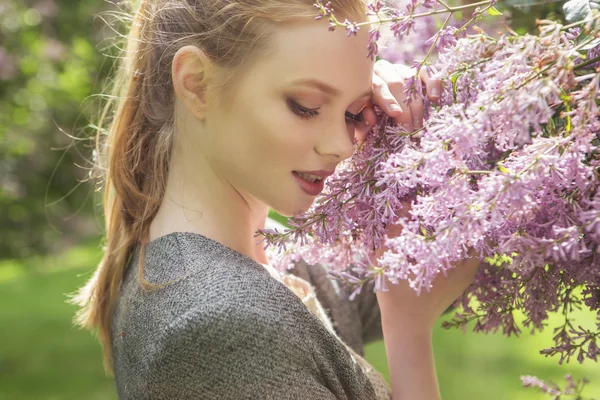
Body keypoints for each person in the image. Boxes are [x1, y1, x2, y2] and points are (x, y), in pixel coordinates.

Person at [69, 0, 481, 399]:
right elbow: (406, 301)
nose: (341, 145)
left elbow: (436, 275)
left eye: (353, 112)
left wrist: (416, 120)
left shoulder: (272, 256)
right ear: (197, 83)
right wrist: (409, 334)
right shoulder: (219, 324)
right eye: (306, 107)